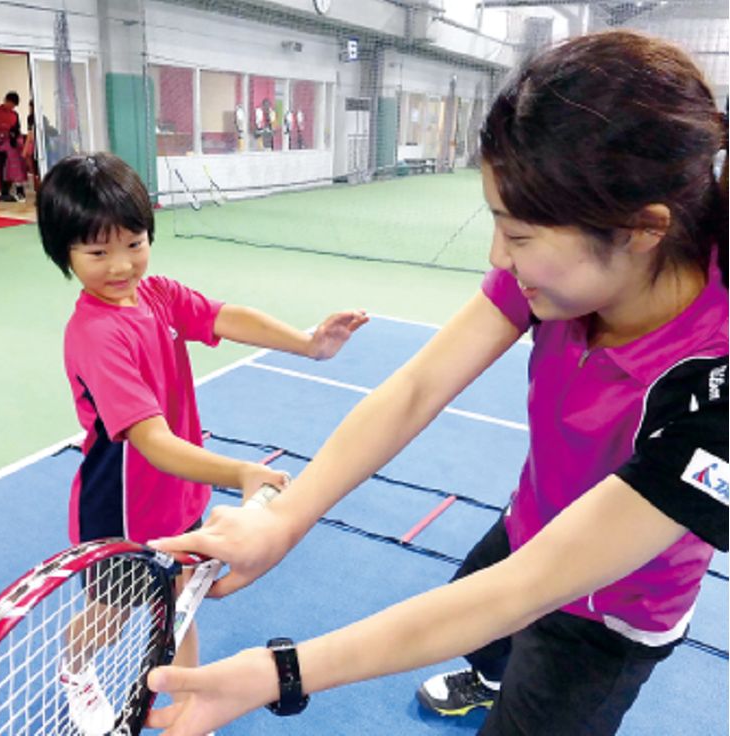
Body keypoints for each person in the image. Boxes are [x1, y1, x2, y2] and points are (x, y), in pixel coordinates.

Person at [142, 30, 729, 736]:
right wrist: (284, 520)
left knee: (508, 643)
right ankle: (485, 672)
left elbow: (526, 589)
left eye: (517, 236)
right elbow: (419, 386)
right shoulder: (562, 275)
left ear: (641, 230)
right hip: (531, 519)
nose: (495, 256)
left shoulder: (712, 397)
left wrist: (278, 673)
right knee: (475, 613)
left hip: (612, 616)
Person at [35, 151, 368, 733]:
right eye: (97, 252)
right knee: (111, 615)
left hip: (181, 494)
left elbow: (221, 317)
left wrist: (309, 343)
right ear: (64, 255)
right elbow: (152, 441)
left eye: (134, 243)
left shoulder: (156, 295)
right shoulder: (95, 335)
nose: (122, 265)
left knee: (181, 599)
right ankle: (74, 671)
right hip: (123, 508)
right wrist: (238, 473)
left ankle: (189, 707)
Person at [0, 91, 24, 201]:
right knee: (1, 166)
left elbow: (17, 128)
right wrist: (3, 127)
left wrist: (14, 134)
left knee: (13, 166)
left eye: (14, 106)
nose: (12, 107)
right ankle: (4, 192)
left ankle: (14, 189)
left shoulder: (14, 115)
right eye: (11, 104)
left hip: (11, 143)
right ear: (6, 101)